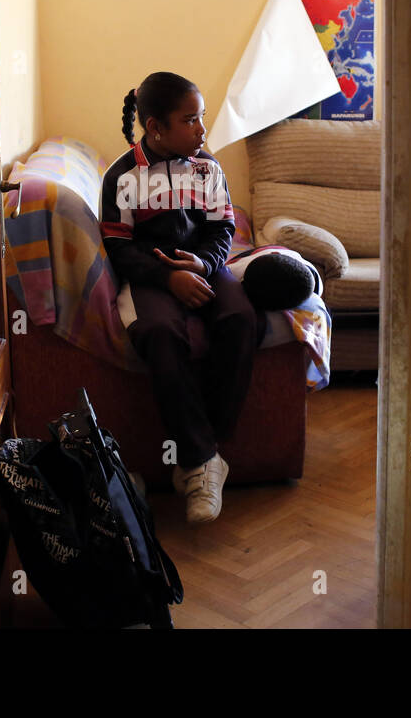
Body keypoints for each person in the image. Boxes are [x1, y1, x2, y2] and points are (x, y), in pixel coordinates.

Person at [99, 71, 263, 523]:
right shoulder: (122, 176)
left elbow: (223, 228)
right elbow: (118, 245)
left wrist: (203, 266)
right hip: (152, 278)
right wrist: (167, 279)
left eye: (202, 118)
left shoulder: (208, 167)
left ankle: (201, 454)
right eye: (190, 120)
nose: (202, 129)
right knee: (158, 333)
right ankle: (203, 459)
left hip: (202, 265)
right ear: (155, 128)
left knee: (240, 318)